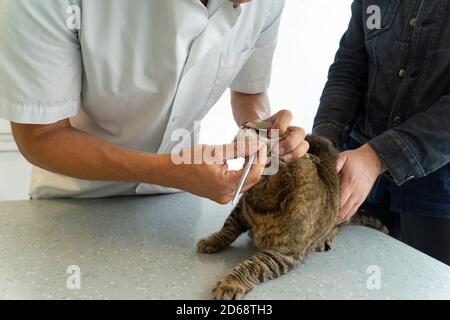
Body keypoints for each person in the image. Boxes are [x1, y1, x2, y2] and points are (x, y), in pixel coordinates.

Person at [0, 0, 309, 204]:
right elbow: (40, 135)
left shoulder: (266, 3)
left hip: (178, 201)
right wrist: (166, 169)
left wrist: (262, 133)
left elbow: (248, 92)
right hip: (77, 202)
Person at [313, 0, 450, 265]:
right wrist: (323, 145)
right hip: (356, 181)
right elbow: (350, 69)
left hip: (438, 201)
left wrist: (378, 156)